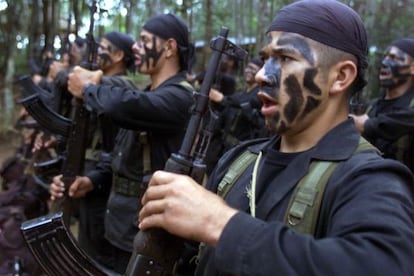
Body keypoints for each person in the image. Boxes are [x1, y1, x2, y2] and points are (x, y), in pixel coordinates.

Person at [138, 1, 414, 275]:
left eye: (285, 58)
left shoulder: (368, 179)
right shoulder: (239, 160)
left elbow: (382, 265)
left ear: (340, 76)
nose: (260, 74)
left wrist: (218, 223)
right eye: (267, 58)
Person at [50, 13, 194, 274]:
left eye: (144, 40)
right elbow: (120, 154)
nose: (135, 48)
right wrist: (92, 180)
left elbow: (122, 105)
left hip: (146, 236)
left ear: (169, 47)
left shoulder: (180, 98)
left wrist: (87, 88)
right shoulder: (149, 94)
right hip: (118, 224)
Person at [351, 38, 414, 173]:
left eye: (394, 58)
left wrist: (367, 125)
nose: (384, 62)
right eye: (385, 57)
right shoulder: (370, 107)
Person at [209, 56, 269, 153]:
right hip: (225, 145)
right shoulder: (241, 93)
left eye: (253, 69)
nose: (248, 71)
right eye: (248, 67)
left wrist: (223, 99)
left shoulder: (260, 94)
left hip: (242, 147)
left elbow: (246, 102)